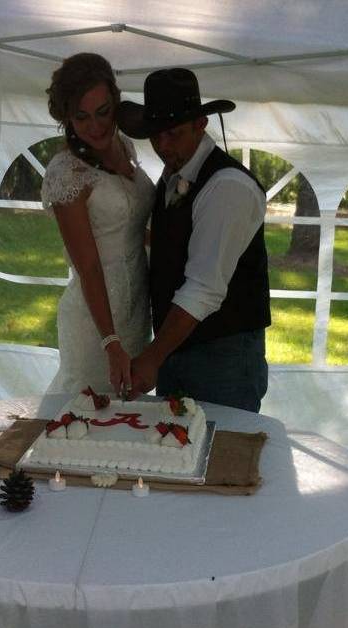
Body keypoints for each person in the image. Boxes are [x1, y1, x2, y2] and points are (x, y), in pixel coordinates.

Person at [118, 68, 271, 412]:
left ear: (201, 124)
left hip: (223, 359)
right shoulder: (177, 173)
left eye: (173, 134)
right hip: (176, 348)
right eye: (156, 136)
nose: (162, 146)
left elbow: (203, 288)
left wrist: (152, 357)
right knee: (175, 452)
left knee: (222, 458)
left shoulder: (227, 186)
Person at [41, 53, 155, 397]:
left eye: (104, 112)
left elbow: (130, 226)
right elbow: (88, 266)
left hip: (137, 309)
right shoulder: (67, 173)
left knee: (129, 421)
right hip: (96, 323)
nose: (97, 126)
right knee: (88, 415)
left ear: (116, 102)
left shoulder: (125, 147)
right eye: (82, 117)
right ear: (67, 118)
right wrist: (110, 341)